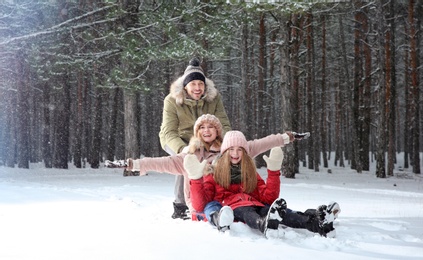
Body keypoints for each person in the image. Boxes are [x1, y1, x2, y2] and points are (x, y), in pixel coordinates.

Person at [105, 114, 297, 220]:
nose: (206, 131)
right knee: (210, 207)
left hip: (226, 199)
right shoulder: (190, 156)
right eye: (202, 128)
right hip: (201, 201)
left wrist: (286, 137)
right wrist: (133, 164)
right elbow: (160, 162)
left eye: (211, 127)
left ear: (217, 131)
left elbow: (261, 143)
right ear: (197, 132)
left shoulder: (230, 149)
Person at [184, 130, 341, 238]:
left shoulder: (250, 172)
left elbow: (269, 197)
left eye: (240, 150)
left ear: (245, 153)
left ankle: (317, 224)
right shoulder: (214, 172)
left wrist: (273, 172)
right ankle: (263, 224)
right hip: (234, 207)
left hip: (256, 204)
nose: (235, 154)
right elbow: (201, 205)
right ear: (224, 152)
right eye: (231, 149)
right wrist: (196, 179)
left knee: (280, 213)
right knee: (248, 213)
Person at [158, 57, 231, 220]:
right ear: (185, 86)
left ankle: (218, 198)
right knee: (186, 161)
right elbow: (169, 132)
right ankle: (181, 205)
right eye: (193, 84)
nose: (197, 88)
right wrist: (182, 149)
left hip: (206, 139)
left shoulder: (214, 98)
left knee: (218, 160)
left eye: (200, 84)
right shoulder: (171, 100)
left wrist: (226, 142)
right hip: (177, 138)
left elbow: (224, 123)